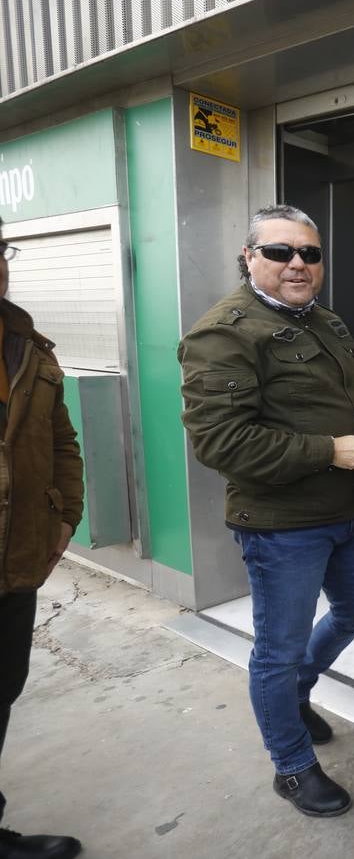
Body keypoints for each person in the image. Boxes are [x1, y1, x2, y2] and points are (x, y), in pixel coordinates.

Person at [178, 205, 354, 818]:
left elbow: (342, 398)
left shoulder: (323, 321)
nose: (298, 264)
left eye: (310, 253)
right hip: (282, 527)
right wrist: (330, 449)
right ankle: (293, 765)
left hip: (348, 512)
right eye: (280, 252)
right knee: (278, 649)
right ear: (249, 257)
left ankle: (295, 692)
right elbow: (220, 443)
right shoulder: (223, 333)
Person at [0, 223, 85, 859]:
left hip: (16, 562)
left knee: (2, 689)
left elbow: (61, 443)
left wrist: (64, 519)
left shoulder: (28, 345)